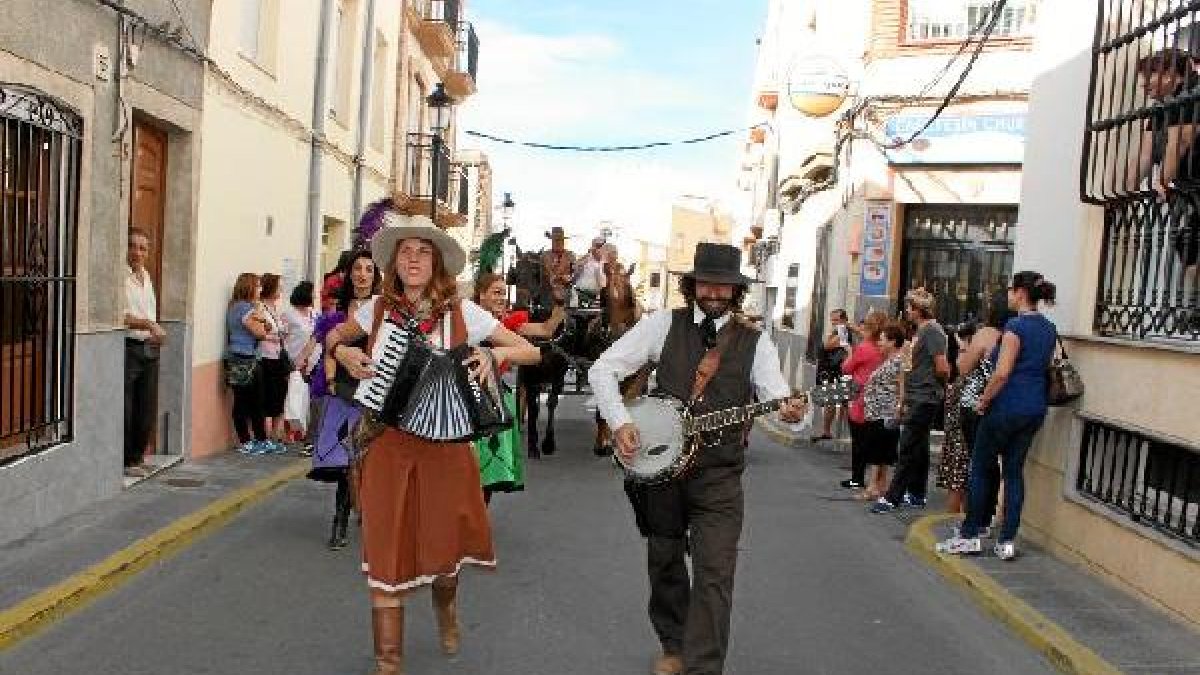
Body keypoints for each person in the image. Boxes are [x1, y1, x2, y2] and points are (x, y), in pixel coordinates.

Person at [324, 215, 540, 673]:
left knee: (444, 560)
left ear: (437, 261)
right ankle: (388, 663)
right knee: (383, 550)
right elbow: (333, 337)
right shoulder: (378, 310)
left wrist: (495, 353)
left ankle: (446, 606)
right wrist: (344, 352)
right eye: (406, 251)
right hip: (386, 444)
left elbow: (530, 350)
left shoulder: (464, 312)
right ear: (395, 262)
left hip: (446, 451)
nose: (414, 258)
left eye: (423, 251)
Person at [589, 242, 806, 675]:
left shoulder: (755, 342)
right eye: (707, 282)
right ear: (692, 286)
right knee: (664, 560)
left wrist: (793, 413)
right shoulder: (662, 325)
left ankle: (704, 666)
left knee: (714, 574)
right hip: (662, 474)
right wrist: (619, 422)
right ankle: (674, 645)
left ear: (735, 291)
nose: (714, 292)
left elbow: (777, 398)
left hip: (720, 476)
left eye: (724, 285)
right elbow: (603, 369)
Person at [939, 272, 1060, 561]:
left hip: (1006, 407)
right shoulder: (1049, 328)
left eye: (1010, 290)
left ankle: (970, 535)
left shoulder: (1015, 327)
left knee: (980, 468)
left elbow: (1002, 371)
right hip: (1035, 407)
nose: (1008, 295)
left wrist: (983, 400)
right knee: (1014, 472)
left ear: (1019, 293)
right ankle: (1007, 541)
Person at [472, 272, 566, 502]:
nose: (501, 297)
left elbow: (546, 330)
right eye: (496, 292)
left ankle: (478, 521)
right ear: (481, 296)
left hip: (493, 397)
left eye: (504, 293)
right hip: (466, 397)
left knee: (490, 471)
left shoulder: (508, 322)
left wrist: (560, 303)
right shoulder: (466, 318)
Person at [308, 250, 380, 550]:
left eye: (368, 269)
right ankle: (339, 520)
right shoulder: (340, 311)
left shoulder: (384, 309)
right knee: (342, 458)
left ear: (375, 276)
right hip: (345, 389)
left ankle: (364, 506)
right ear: (350, 274)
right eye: (357, 269)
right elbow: (329, 348)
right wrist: (334, 382)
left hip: (374, 390)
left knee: (367, 459)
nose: (362, 274)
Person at [870, 288, 949, 513]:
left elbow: (942, 366)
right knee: (920, 447)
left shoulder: (932, 331)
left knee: (906, 447)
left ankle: (892, 497)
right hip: (917, 395)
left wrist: (938, 385)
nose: (906, 311)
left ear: (917, 310)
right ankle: (916, 493)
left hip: (924, 397)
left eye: (909, 308)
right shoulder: (922, 331)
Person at [123, 228, 165, 479]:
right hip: (129, 346)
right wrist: (149, 325)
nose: (137, 252)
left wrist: (154, 331)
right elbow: (122, 316)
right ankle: (126, 460)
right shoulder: (121, 277)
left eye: (143, 248)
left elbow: (149, 311)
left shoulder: (146, 276)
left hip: (149, 346)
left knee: (145, 406)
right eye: (133, 246)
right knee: (127, 407)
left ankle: (138, 456)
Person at [840, 310, 887, 491]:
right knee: (876, 442)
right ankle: (877, 482)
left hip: (861, 396)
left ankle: (857, 478)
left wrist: (850, 351)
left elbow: (846, 368)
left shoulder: (864, 348)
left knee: (858, 440)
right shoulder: (884, 348)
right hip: (880, 398)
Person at [226, 273, 271, 454]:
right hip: (242, 358)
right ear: (249, 287)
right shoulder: (243, 308)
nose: (260, 290)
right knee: (244, 402)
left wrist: (262, 325)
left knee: (255, 402)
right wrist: (260, 316)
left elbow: (266, 327)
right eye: (258, 286)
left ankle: (260, 439)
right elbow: (261, 332)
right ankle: (246, 441)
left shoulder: (240, 307)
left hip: (249, 357)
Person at [861, 321, 907, 500]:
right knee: (881, 453)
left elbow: (902, 388)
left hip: (884, 413)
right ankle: (880, 487)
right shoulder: (891, 360)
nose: (879, 343)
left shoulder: (898, 361)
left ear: (893, 341)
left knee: (877, 452)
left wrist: (898, 410)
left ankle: (873, 486)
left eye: (882, 340)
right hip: (878, 412)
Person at [281, 281, 318, 444]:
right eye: (312, 292)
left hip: (314, 362)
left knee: (308, 398)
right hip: (295, 361)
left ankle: (305, 431)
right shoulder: (289, 314)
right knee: (293, 396)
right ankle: (290, 432)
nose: (315, 296)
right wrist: (293, 361)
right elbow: (282, 337)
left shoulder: (314, 313)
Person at [256, 273, 289, 450]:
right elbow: (260, 333)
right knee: (267, 395)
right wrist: (275, 337)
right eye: (278, 286)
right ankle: (266, 435)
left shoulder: (275, 308)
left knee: (280, 394)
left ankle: (276, 433)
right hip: (266, 357)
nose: (281, 289)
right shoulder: (260, 307)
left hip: (278, 357)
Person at [811, 309, 852, 442]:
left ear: (844, 320)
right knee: (831, 402)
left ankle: (846, 434)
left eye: (836, 320)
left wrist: (835, 334)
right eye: (832, 320)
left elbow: (827, 345)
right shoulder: (837, 332)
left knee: (842, 403)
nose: (833, 323)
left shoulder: (843, 332)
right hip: (829, 370)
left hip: (837, 371)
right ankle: (827, 431)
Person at [541, 226, 577, 306]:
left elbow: (575, 274)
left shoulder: (571, 256)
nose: (558, 243)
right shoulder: (544, 256)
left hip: (567, 292)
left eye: (560, 240)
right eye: (556, 240)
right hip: (548, 293)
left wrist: (566, 278)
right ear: (552, 241)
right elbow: (540, 275)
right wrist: (551, 278)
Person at [574, 236, 609, 305]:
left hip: (600, 296)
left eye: (601, 246)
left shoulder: (606, 262)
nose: (599, 249)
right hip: (582, 294)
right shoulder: (585, 259)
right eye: (597, 246)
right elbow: (574, 269)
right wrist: (580, 264)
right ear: (593, 247)